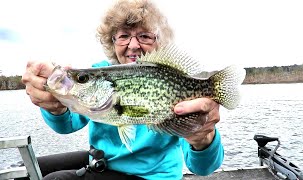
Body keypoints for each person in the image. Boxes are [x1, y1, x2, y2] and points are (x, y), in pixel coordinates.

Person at [21, 0, 224, 179]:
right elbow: (67, 125)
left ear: (159, 42)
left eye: (144, 36)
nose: (133, 45)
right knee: (27, 170)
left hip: (153, 177)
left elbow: (202, 168)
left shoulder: (177, 85)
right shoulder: (100, 71)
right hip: (104, 163)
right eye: (124, 36)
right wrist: (55, 105)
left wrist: (203, 139)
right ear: (112, 41)